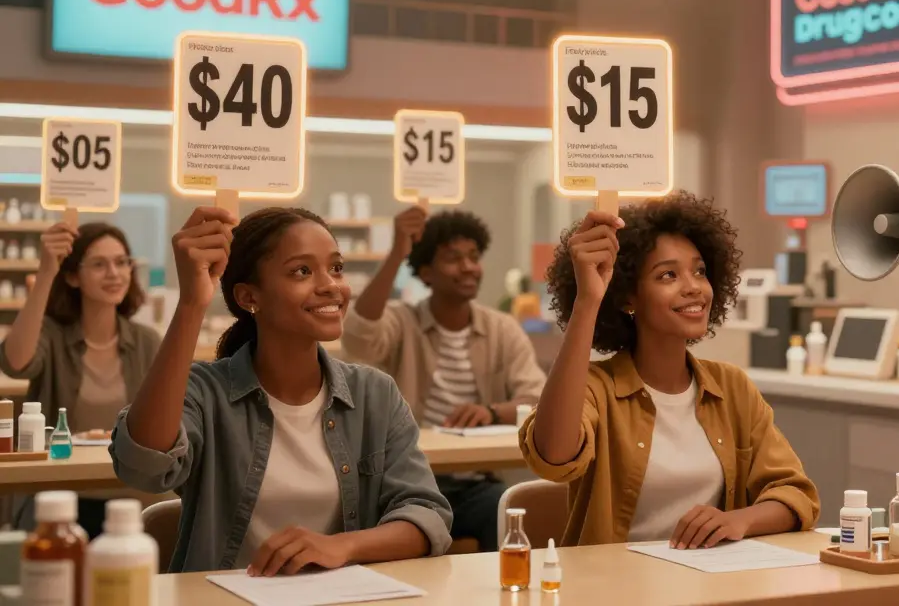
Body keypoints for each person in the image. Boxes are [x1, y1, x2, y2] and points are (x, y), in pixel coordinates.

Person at [110, 206, 453, 574]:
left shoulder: (375, 394)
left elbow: (428, 517)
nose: (330, 285)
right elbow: (142, 467)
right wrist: (192, 304)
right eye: (302, 271)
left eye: (335, 267)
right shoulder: (205, 392)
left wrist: (341, 546)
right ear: (248, 297)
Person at [522, 191, 820, 548]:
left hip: (713, 589)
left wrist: (738, 520)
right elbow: (553, 458)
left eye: (699, 271)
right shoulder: (596, 388)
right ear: (627, 298)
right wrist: (589, 300)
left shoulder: (732, 387)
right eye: (668, 275)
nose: (693, 287)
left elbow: (796, 495)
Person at [343, 207, 545, 552]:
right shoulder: (403, 322)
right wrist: (396, 254)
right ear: (426, 273)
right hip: (407, 484)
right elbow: (359, 338)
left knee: (508, 511)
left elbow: (538, 401)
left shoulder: (501, 329)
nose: (468, 267)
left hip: (476, 485)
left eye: (473, 256)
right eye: (453, 258)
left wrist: (492, 412)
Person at [0, 222, 160, 537]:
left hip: (133, 501)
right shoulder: (53, 335)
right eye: (99, 264)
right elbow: (15, 363)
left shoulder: (147, 341)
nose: (114, 273)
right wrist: (46, 272)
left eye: (122, 261)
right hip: (61, 499)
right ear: (73, 276)